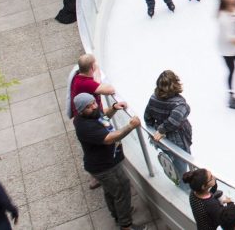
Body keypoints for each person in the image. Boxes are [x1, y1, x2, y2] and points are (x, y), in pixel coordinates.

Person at [72, 93, 142, 230]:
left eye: (93, 102)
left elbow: (102, 117)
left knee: (111, 192)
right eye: (88, 106)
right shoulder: (85, 126)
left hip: (103, 163)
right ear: (81, 110)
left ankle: (118, 215)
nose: (94, 107)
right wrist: (130, 126)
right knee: (122, 190)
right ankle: (126, 225)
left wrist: (114, 108)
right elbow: (109, 138)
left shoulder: (90, 114)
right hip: (104, 167)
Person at [143, 69, 193, 183]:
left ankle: (175, 174)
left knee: (170, 156)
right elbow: (174, 120)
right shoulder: (179, 103)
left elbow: (147, 117)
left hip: (160, 139)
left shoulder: (153, 98)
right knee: (182, 162)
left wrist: (155, 131)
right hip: (178, 139)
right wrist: (162, 130)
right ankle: (184, 186)